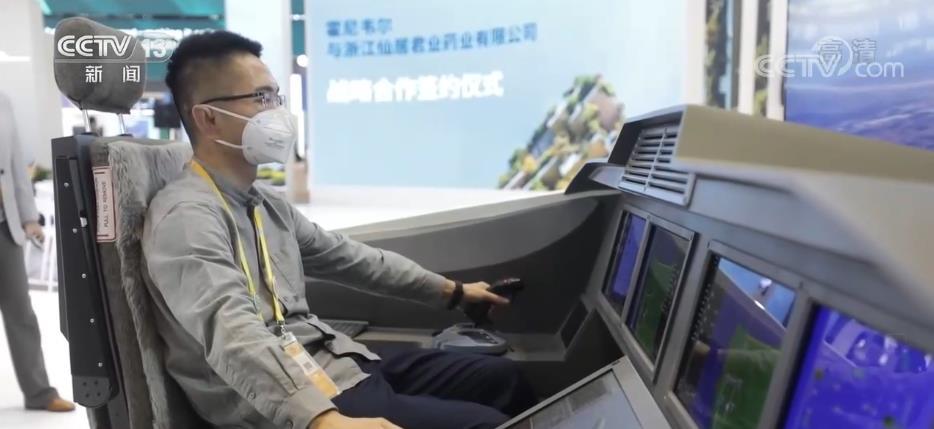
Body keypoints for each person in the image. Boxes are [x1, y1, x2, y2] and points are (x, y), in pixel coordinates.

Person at [143, 31, 536, 429]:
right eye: (261, 98)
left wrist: (453, 292)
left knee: (503, 378)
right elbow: (232, 334)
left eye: (276, 97)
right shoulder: (186, 218)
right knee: (486, 424)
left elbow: (350, 259)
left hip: (332, 364)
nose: (277, 112)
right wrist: (322, 421)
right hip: (284, 403)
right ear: (208, 118)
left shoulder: (262, 202)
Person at [0, 92, 75, 412]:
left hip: (5, 225)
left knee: (21, 312)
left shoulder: (3, 101)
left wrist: (29, 217)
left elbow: (15, 164)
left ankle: (39, 392)